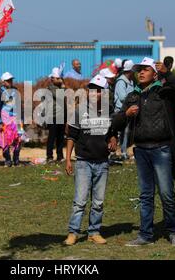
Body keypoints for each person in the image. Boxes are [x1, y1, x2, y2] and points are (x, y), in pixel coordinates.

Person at [113, 57, 175, 247]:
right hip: (141, 151)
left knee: (166, 193)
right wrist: (126, 115)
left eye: (145, 69)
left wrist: (167, 73)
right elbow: (116, 122)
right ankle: (145, 235)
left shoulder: (165, 92)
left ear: (154, 73)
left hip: (161, 149)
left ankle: (173, 231)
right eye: (139, 69)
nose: (140, 72)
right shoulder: (133, 95)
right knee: (146, 195)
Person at [64, 75, 118, 246]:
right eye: (92, 90)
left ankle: (94, 232)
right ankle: (73, 232)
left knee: (98, 201)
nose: (94, 93)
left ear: (104, 93)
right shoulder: (80, 110)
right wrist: (68, 159)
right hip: (83, 162)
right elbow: (71, 136)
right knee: (80, 200)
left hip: (102, 162)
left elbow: (111, 133)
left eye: (98, 90)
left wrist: (113, 139)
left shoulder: (109, 110)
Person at [0, 72, 23, 167]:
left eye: (11, 80)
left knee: (18, 139)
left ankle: (16, 158)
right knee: (5, 140)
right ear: (3, 82)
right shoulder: (0, 93)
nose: (10, 82)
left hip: (15, 119)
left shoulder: (15, 91)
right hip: (5, 120)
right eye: (7, 80)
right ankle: (7, 159)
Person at [114, 60, 135, 160]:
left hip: (128, 110)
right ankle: (120, 152)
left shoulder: (130, 81)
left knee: (126, 132)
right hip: (121, 111)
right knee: (121, 132)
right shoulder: (121, 82)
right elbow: (123, 97)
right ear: (130, 71)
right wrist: (133, 99)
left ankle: (123, 151)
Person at [45, 67, 66, 163]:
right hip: (52, 116)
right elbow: (60, 97)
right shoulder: (50, 88)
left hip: (61, 116)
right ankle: (49, 156)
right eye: (58, 78)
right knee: (52, 137)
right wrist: (62, 86)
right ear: (52, 79)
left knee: (60, 137)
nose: (60, 80)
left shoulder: (61, 87)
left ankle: (60, 156)